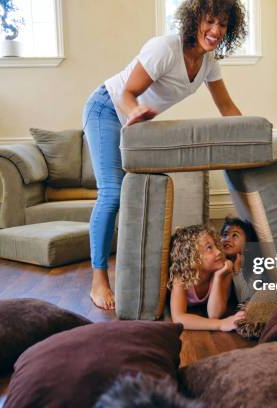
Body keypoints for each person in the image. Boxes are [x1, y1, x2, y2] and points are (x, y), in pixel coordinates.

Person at [82, 0, 247, 309]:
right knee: (113, 193)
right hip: (107, 108)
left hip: (137, 121)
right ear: (195, 18)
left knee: (137, 197)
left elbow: (227, 108)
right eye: (210, 21)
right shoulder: (166, 48)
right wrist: (136, 114)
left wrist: (251, 133)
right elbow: (126, 93)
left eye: (223, 25)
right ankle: (98, 279)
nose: (215, 31)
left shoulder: (209, 63)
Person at [169, 225, 246, 331]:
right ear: (192, 257)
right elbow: (179, 318)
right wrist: (221, 324)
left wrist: (218, 277)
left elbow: (214, 314)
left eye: (216, 246)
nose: (219, 252)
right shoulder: (182, 277)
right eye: (209, 248)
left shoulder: (224, 270)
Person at [220, 216, 260, 302]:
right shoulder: (218, 262)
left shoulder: (255, 268)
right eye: (225, 234)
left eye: (234, 235)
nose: (227, 239)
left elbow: (245, 299)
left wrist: (237, 271)